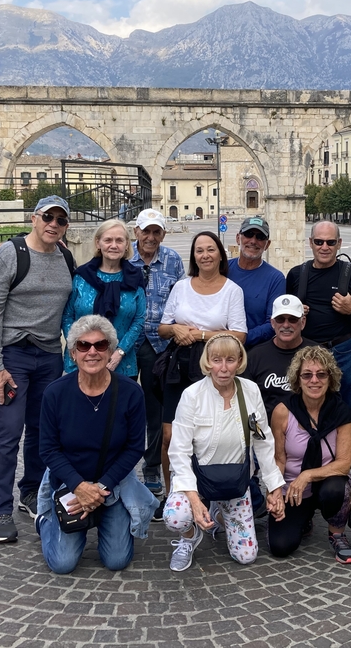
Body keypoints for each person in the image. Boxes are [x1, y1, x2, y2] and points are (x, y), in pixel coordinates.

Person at [0, 195, 74, 543]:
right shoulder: (11, 254)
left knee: (41, 430)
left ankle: (31, 491)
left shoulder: (65, 257)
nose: (53, 224)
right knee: (8, 431)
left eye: (61, 220)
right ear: (33, 218)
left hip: (49, 355)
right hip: (13, 356)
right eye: (48, 217)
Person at [36, 315, 157, 574]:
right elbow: (48, 449)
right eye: (83, 345)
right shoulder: (55, 393)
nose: (92, 352)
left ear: (110, 351)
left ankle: (105, 516)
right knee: (62, 564)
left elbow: (134, 447)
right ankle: (45, 522)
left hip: (113, 483)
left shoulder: (131, 392)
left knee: (117, 561)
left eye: (100, 345)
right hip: (70, 482)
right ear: (73, 353)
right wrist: (79, 487)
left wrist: (99, 489)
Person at [163, 334, 286, 571]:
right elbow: (178, 451)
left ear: (239, 361)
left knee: (246, 555)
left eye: (230, 360)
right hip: (198, 479)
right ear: (207, 362)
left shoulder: (250, 390)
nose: (223, 367)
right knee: (176, 516)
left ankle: (219, 515)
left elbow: (262, 440)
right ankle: (189, 537)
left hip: (235, 480)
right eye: (216, 360)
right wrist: (193, 500)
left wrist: (274, 488)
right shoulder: (192, 395)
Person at [158, 232, 247, 504]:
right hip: (179, 365)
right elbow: (162, 328)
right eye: (199, 251)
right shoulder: (181, 287)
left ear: (220, 254)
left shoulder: (232, 290)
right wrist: (175, 329)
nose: (205, 255)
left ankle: (209, 491)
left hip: (214, 366)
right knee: (169, 434)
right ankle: (173, 493)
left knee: (208, 434)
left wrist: (201, 335)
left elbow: (240, 335)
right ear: (193, 257)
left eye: (210, 249)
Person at [268, 346, 351, 563]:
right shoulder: (282, 411)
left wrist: (307, 475)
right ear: (298, 380)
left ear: (330, 378)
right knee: (281, 546)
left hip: (327, 483)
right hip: (292, 489)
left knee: (337, 488)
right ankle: (304, 518)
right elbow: (279, 459)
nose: (314, 380)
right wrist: (274, 490)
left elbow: (344, 463)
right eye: (307, 375)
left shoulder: (341, 412)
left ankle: (337, 534)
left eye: (321, 374)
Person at [285, 221, 351, 411]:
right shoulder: (296, 274)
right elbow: (283, 318)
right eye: (319, 242)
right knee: (305, 409)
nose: (324, 247)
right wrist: (295, 314)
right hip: (306, 351)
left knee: (343, 410)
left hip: (343, 351)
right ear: (310, 242)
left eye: (331, 242)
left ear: (339, 243)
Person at [129, 209, 185, 499]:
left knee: (156, 412)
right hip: (127, 343)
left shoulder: (173, 260)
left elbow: (182, 296)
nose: (150, 237)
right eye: (146, 231)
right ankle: (122, 468)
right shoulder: (124, 256)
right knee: (124, 407)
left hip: (159, 345)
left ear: (163, 234)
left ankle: (151, 466)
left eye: (156, 232)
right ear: (136, 232)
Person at [62, 219, 146, 378]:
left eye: (119, 240)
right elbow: (67, 316)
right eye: (108, 240)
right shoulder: (81, 277)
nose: (113, 245)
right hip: (81, 359)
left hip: (120, 363)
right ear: (98, 243)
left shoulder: (134, 278)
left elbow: (139, 320)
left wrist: (120, 352)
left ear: (126, 245)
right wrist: (76, 348)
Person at [244, 294, 317, 417]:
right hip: (265, 426)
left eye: (292, 319)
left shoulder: (318, 355)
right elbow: (246, 401)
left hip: (309, 425)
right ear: (272, 323)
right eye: (280, 319)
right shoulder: (254, 357)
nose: (286, 325)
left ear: (303, 322)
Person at [227, 216, 286, 348]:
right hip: (217, 350)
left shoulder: (275, 279)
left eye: (260, 237)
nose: (253, 241)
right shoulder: (222, 269)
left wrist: (238, 339)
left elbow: (273, 322)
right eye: (248, 234)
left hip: (255, 352)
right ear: (238, 238)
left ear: (267, 244)